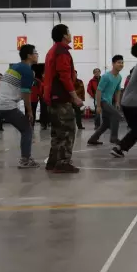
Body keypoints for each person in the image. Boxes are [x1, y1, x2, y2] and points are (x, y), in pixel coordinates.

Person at [44, 24, 83, 174]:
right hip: (60, 97)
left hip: (52, 97)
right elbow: (64, 76)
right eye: (69, 32)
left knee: (57, 132)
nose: (70, 34)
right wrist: (75, 96)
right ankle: (63, 163)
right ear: (64, 35)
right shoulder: (62, 52)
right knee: (68, 130)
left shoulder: (53, 50)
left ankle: (53, 161)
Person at [88, 55, 124, 146]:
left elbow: (118, 90)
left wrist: (117, 102)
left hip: (108, 102)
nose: (121, 64)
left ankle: (93, 139)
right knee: (116, 114)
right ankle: (114, 138)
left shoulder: (119, 77)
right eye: (119, 62)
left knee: (106, 124)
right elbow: (98, 90)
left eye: (122, 62)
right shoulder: (106, 76)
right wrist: (98, 105)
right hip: (102, 101)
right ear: (113, 64)